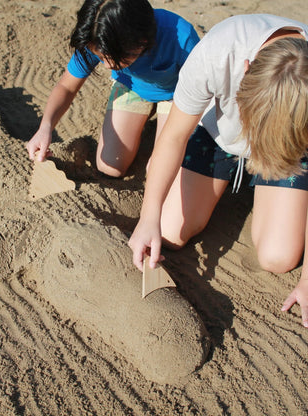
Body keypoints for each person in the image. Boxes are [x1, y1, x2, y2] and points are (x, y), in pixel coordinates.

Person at [128, 14, 308, 327]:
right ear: (246, 70)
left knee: (277, 257)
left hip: (288, 150)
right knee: (168, 232)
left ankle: (268, 189)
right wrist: (148, 217)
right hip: (220, 136)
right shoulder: (218, 53)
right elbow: (173, 136)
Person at [26, 0, 199, 177]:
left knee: (160, 172)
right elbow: (66, 87)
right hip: (131, 85)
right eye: (101, 57)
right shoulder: (97, 33)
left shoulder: (181, 38)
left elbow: (203, 92)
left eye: (117, 58)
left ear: (142, 41)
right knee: (110, 167)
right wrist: (45, 127)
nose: (108, 65)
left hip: (177, 94)